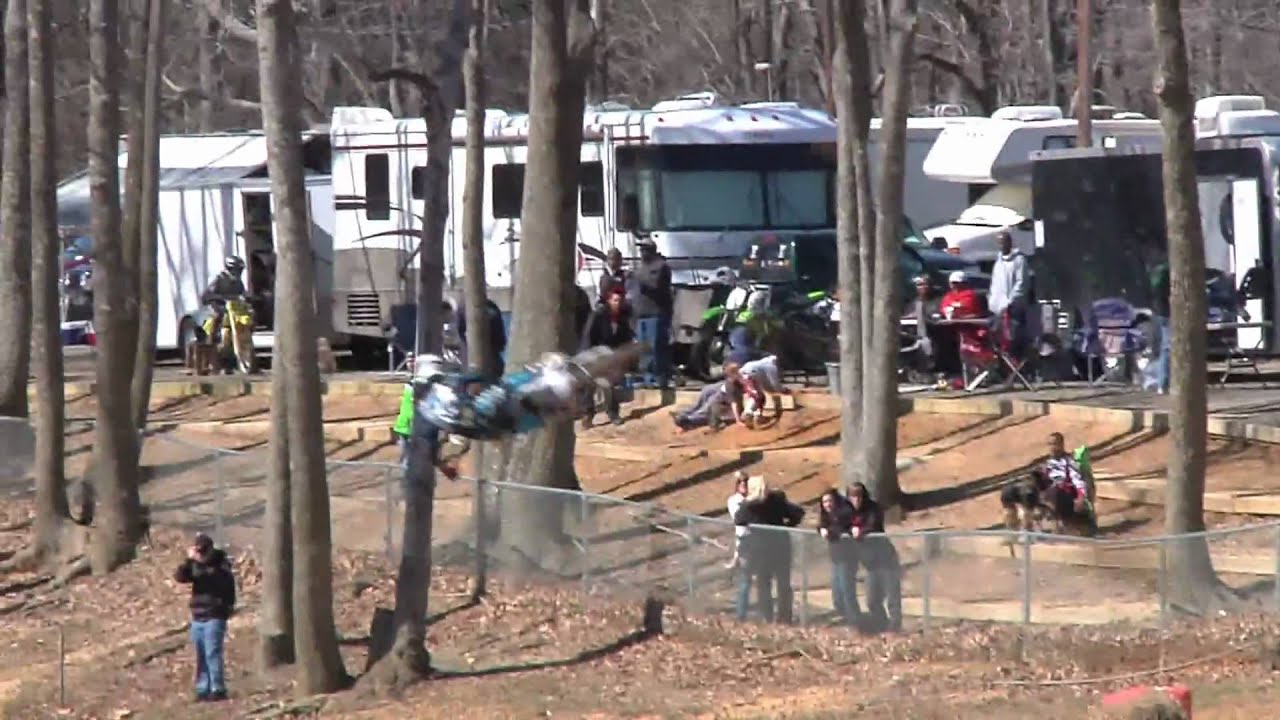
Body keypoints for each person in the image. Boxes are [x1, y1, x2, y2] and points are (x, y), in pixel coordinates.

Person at [733, 475, 805, 624]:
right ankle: (780, 617)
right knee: (778, 583)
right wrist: (788, 525)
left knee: (767, 584)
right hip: (777, 547)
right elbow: (798, 513)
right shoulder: (775, 499)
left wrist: (747, 501)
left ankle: (772, 617)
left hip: (765, 549)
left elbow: (739, 519)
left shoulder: (752, 505)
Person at [174, 533, 236, 702]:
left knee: (212, 652)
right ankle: (203, 688)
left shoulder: (220, 564)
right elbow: (180, 577)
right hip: (198, 615)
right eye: (198, 551)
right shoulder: (195, 565)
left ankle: (218, 688)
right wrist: (189, 561)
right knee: (201, 654)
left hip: (215, 615)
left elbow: (215, 579)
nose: (201, 554)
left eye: (203, 551)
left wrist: (200, 561)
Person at [392, 355, 461, 480]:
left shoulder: (425, 389)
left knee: (413, 460)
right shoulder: (418, 387)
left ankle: (410, 480)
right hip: (407, 427)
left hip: (410, 428)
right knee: (410, 461)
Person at [848, 482, 901, 633]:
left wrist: (861, 531)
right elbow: (837, 522)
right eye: (853, 497)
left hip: (886, 560)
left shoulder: (873, 508)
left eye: (859, 496)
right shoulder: (848, 511)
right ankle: (881, 624)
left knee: (892, 597)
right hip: (870, 564)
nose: (856, 500)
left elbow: (874, 524)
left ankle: (895, 628)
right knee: (872, 600)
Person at [580, 286, 635, 427]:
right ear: (608, 301)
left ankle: (613, 413)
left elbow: (625, 338)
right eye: (615, 300)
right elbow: (588, 337)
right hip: (594, 354)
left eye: (620, 300)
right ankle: (588, 415)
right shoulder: (598, 315)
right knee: (590, 386)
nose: (618, 303)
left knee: (611, 385)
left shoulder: (623, 317)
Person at [628, 236, 673, 388]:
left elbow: (654, 285)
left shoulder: (661, 266)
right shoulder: (641, 268)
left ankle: (658, 378)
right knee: (643, 349)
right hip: (641, 315)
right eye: (641, 249)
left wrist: (637, 276)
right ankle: (647, 378)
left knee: (656, 348)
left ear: (652, 251)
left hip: (656, 314)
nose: (642, 252)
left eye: (645, 249)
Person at [818, 488, 861, 627]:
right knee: (837, 595)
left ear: (835, 500)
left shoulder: (845, 511)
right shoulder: (826, 514)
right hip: (835, 558)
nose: (827, 504)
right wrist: (821, 529)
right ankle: (845, 618)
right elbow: (821, 524)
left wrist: (828, 532)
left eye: (830, 501)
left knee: (847, 591)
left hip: (847, 558)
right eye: (825, 502)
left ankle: (856, 622)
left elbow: (840, 528)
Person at [670, 362, 745, 432]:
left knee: (698, 408)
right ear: (733, 374)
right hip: (717, 398)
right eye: (738, 371)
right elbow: (734, 404)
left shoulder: (734, 380)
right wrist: (738, 420)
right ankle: (685, 419)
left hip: (713, 390)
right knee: (703, 413)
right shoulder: (732, 385)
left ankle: (682, 415)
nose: (740, 372)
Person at [988, 230, 1029, 351]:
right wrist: (992, 301)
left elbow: (1022, 283)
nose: (1002, 245)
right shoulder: (998, 262)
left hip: (1013, 310)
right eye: (999, 243)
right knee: (999, 342)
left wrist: (1010, 302)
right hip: (997, 310)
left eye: (1004, 242)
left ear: (1010, 243)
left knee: (1014, 340)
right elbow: (994, 284)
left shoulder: (1019, 260)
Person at [1042, 432, 1091, 530]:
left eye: (1055, 444)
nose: (1052, 447)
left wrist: (1081, 497)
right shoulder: (1047, 464)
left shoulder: (1070, 461)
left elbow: (1079, 481)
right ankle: (1021, 531)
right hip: (1051, 497)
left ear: (1061, 445)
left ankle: (1058, 526)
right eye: (1050, 444)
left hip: (1067, 496)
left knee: (1054, 491)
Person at [454, 296, 508, 380]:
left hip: (474, 359)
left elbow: (460, 332)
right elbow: (501, 339)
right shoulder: (492, 307)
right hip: (491, 359)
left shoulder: (463, 308)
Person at [199, 256, 248, 345]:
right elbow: (206, 296)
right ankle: (210, 341)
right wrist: (222, 298)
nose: (239, 272)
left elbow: (243, 294)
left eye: (240, 270)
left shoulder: (239, 283)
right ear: (230, 268)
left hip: (234, 310)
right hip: (219, 309)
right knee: (217, 317)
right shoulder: (219, 280)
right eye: (238, 269)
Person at [738, 354, 792, 424]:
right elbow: (774, 384)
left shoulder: (762, 363)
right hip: (751, 375)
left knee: (755, 395)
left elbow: (767, 386)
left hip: (743, 375)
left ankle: (748, 412)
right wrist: (783, 390)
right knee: (760, 396)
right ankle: (756, 415)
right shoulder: (771, 366)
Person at [725, 472, 750, 569]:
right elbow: (738, 517)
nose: (743, 484)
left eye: (745, 481)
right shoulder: (733, 500)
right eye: (740, 482)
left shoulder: (753, 498)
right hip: (744, 532)